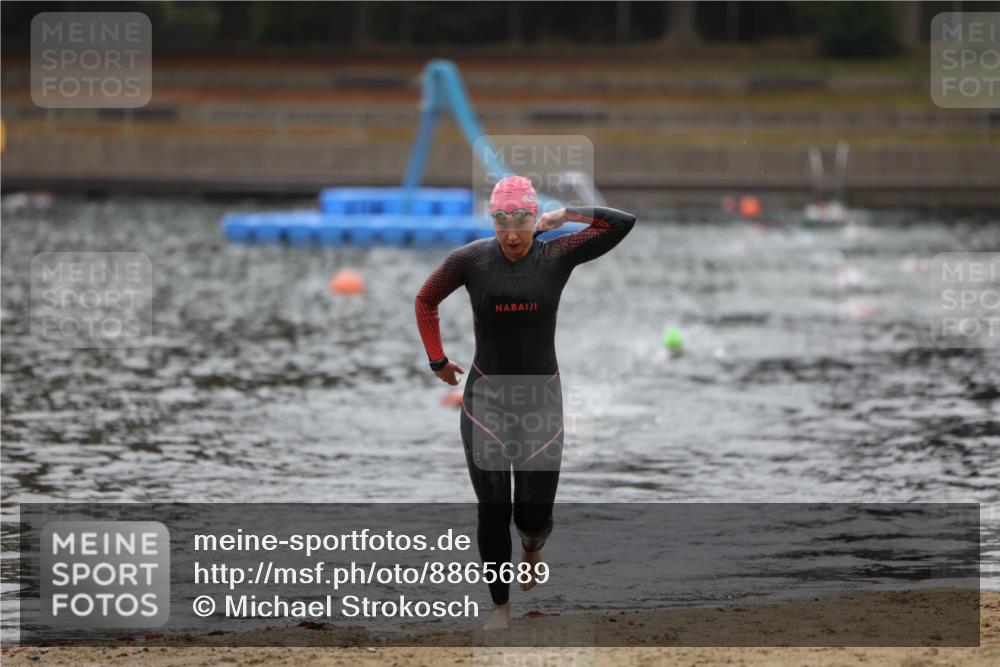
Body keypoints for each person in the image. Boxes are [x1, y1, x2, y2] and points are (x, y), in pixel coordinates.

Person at [414, 175, 636, 630]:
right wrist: (437, 359)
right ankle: (500, 607)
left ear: (535, 219)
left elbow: (621, 223)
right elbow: (425, 300)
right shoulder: (471, 260)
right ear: (492, 220)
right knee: (493, 507)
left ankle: (532, 546)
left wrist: (566, 214)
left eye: (521, 222)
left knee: (532, 517)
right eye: (502, 222)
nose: (512, 235)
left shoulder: (557, 254)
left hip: (540, 402)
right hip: (485, 400)